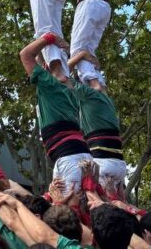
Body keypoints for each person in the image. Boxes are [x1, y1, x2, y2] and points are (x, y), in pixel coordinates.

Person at [19, 33, 92, 194]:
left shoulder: (50, 84)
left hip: (71, 159)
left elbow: (25, 55)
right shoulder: (71, 88)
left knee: (67, 208)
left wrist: (48, 37)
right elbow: (44, 64)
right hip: (78, 156)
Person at [60, 0, 110, 89]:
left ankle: (94, 84)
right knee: (89, 51)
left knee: (77, 50)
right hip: (103, 6)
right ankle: (100, 85)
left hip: (90, 4)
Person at [75, 83, 127, 195]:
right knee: (114, 201)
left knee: (98, 201)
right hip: (119, 165)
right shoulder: (108, 101)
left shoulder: (89, 94)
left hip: (103, 164)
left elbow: (65, 80)